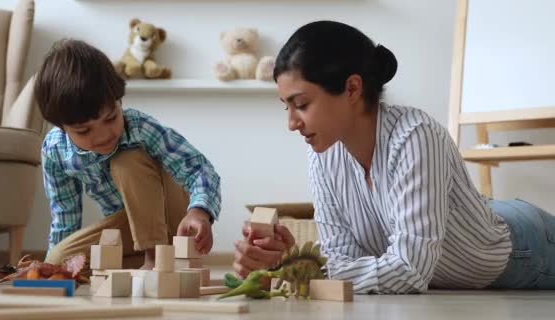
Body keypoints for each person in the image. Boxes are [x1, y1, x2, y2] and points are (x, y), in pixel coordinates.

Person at [233, 20, 555, 293]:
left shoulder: (416, 136)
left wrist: (306, 274)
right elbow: (342, 258)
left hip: (526, 246)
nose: (291, 123)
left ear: (353, 89)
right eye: (286, 107)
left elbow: (409, 270)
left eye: (301, 105)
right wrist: (290, 262)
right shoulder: (323, 152)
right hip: (467, 219)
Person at [36, 39, 221, 270]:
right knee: (59, 261)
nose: (103, 135)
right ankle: (162, 261)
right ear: (62, 127)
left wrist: (199, 212)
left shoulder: (140, 128)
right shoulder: (54, 150)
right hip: (129, 229)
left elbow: (198, 168)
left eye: (111, 118)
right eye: (84, 131)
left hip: (174, 217)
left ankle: (155, 259)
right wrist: (48, 268)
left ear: (119, 101)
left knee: (127, 160)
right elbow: (65, 216)